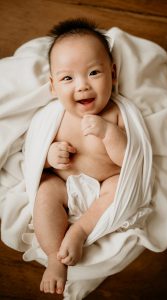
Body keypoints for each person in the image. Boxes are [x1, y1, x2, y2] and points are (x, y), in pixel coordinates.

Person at [33, 18, 127, 295]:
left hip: (105, 185)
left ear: (113, 73)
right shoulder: (54, 117)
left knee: (118, 185)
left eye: (94, 73)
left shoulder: (116, 114)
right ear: (53, 87)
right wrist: (49, 156)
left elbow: (129, 161)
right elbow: (34, 156)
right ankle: (54, 257)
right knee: (45, 190)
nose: (82, 86)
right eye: (67, 78)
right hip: (65, 185)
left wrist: (110, 134)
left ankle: (79, 231)